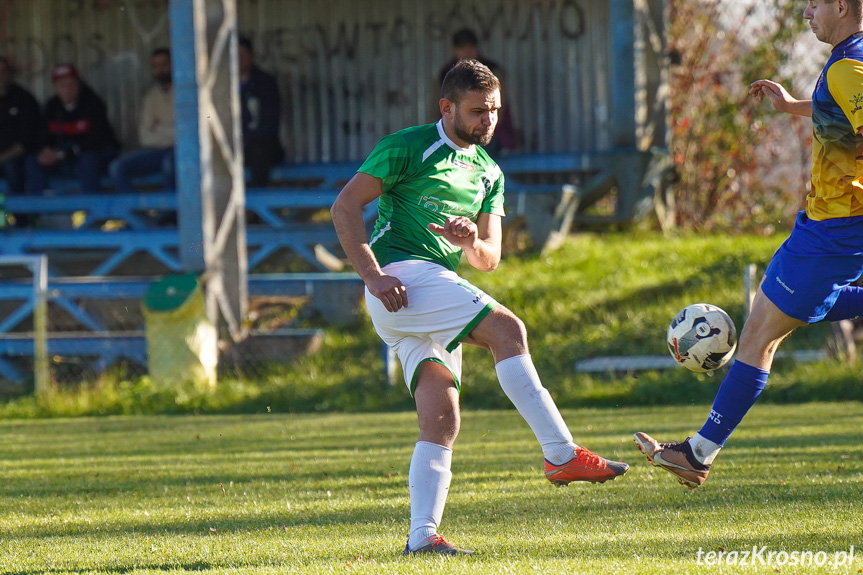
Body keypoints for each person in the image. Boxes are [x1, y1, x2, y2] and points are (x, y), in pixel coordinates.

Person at [331, 59, 628, 556]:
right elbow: (345, 206)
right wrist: (373, 275)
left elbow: (489, 260)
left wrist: (470, 241)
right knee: (508, 329)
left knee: (442, 417)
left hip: (430, 291)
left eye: (493, 110)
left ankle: (422, 538)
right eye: (476, 111)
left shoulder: (490, 172)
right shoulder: (407, 146)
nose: (487, 120)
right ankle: (560, 453)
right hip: (401, 278)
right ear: (446, 107)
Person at [635, 0, 863, 489]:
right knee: (785, 316)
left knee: (761, 331)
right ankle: (697, 452)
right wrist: (792, 107)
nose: (806, 12)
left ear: (841, 6)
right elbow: (842, 112)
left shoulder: (849, 65)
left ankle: (698, 453)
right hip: (829, 226)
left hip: (835, 229)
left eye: (816, 4)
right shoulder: (850, 59)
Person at [27, 63, 119, 194]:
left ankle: (90, 208)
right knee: (33, 160)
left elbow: (96, 142)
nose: (67, 89)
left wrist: (62, 154)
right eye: (62, 85)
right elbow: (42, 136)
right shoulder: (52, 106)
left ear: (79, 84)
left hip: (94, 158)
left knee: (88, 159)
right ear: (55, 88)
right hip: (65, 160)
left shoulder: (93, 103)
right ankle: (39, 209)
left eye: (71, 84)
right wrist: (45, 150)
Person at [436, 28, 517, 157]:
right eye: (462, 48)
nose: (467, 53)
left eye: (470, 48)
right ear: (454, 50)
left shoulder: (491, 72)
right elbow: (435, 111)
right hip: (453, 134)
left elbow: (498, 114)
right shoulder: (446, 75)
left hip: (491, 136)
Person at [109, 48, 175, 193]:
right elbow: (145, 135)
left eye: (164, 64)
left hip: (179, 151)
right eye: (156, 66)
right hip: (155, 151)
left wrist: (158, 127)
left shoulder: (189, 92)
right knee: (117, 167)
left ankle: (173, 214)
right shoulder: (150, 97)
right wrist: (172, 130)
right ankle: (138, 213)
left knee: (169, 165)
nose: (160, 70)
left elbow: (188, 134)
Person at [238, 36, 283, 187]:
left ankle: (255, 208)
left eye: (242, 55)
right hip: (235, 148)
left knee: (259, 151)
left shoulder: (265, 83)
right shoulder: (223, 86)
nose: (239, 60)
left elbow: (269, 125)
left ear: (252, 56)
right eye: (235, 56)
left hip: (263, 146)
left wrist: (244, 139)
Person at [0, 57, 41, 198]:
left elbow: (26, 142)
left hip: (17, 158)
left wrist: (2, 158)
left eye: (4, 71)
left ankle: (21, 217)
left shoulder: (24, 99)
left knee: (12, 166)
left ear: (10, 73)